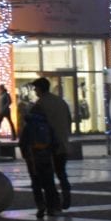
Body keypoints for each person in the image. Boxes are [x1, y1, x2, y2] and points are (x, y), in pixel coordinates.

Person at [32, 77, 73, 210]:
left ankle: (53, 202)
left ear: (40, 89)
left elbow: (36, 125)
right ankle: (66, 195)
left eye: (35, 88)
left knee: (47, 176)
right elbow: (68, 120)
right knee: (61, 173)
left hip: (47, 145)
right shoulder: (60, 101)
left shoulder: (40, 104)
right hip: (62, 143)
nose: (34, 91)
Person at [18, 100, 61, 218]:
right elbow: (55, 142)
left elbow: (22, 143)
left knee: (36, 183)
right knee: (49, 183)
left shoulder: (28, 126)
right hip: (46, 157)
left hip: (33, 159)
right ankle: (51, 207)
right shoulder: (47, 125)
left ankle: (40, 205)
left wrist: (26, 156)